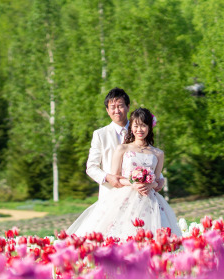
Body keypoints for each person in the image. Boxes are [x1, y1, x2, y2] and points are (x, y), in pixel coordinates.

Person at [67, 107, 181, 239]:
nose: (139, 130)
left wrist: (151, 185)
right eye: (136, 126)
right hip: (125, 197)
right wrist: (133, 183)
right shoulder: (122, 149)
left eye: (143, 126)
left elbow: (157, 180)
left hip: (150, 201)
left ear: (149, 127)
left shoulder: (158, 153)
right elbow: (116, 179)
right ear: (131, 127)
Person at [86, 88, 164, 199]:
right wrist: (109, 177)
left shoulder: (139, 130)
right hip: (111, 194)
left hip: (142, 195)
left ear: (128, 107)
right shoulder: (100, 135)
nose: (117, 111)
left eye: (120, 106)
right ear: (107, 110)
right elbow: (91, 167)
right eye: (112, 107)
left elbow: (149, 156)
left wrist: (160, 178)